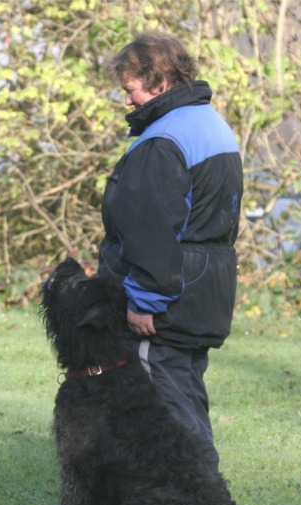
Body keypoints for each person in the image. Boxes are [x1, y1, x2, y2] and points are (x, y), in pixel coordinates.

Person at [98, 31, 243, 460]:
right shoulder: (209, 123)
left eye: (131, 89)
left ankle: (190, 496)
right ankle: (201, 494)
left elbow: (152, 229)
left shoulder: (163, 140)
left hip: (166, 298)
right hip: (203, 287)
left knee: (163, 407)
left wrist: (144, 299)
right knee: (186, 397)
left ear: (159, 81)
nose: (127, 100)